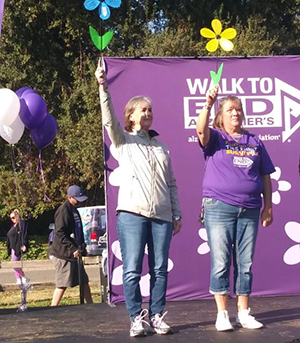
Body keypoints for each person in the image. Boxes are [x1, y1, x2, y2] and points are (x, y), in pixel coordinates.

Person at [95, 59, 182, 337]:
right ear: (131, 116)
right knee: (131, 270)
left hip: (162, 217)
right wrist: (103, 86)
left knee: (160, 270)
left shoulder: (162, 147)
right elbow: (108, 118)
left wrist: (176, 213)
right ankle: (136, 318)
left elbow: (172, 183)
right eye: (143, 110)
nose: (148, 113)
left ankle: (156, 316)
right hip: (132, 214)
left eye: (150, 110)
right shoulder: (123, 141)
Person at [196, 85, 275, 332]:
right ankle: (222, 314)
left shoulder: (255, 141)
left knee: (245, 262)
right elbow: (200, 130)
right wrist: (208, 103)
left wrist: (268, 206)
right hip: (219, 206)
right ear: (221, 115)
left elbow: (265, 176)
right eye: (230, 109)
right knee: (220, 260)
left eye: (239, 109)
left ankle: (243, 312)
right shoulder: (216, 137)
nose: (235, 113)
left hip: (250, 209)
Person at [50, 185, 93, 306]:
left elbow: (78, 230)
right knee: (62, 284)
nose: (80, 201)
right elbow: (59, 232)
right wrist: (72, 248)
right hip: (63, 253)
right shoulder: (63, 211)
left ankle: (91, 305)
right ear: (69, 197)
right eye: (77, 199)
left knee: (83, 281)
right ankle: (52, 308)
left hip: (75, 253)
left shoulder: (74, 209)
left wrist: (81, 246)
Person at [7, 209, 31, 290]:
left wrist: (24, 244)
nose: (12, 219)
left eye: (13, 217)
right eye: (11, 218)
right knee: (14, 263)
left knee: (14, 263)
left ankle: (23, 277)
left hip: (18, 247)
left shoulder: (21, 224)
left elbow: (24, 235)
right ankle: (19, 278)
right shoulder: (13, 226)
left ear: (17, 216)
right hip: (13, 247)